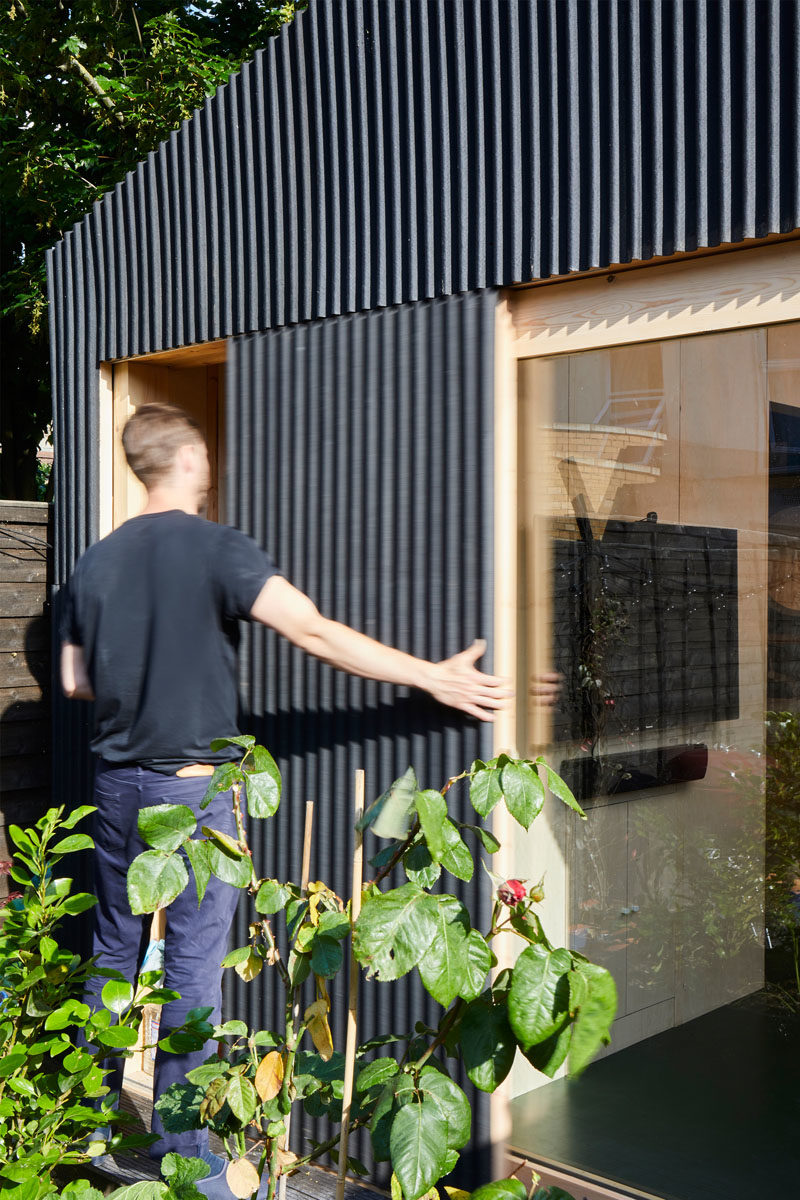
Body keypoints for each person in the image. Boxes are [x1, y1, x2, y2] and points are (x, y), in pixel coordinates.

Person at [60, 402, 515, 1193]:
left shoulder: (93, 564)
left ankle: (86, 1123)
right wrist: (430, 674)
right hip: (195, 794)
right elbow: (311, 630)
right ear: (193, 459)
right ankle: (188, 1160)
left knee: (111, 954)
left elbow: (74, 680)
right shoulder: (214, 548)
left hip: (115, 786)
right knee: (193, 977)